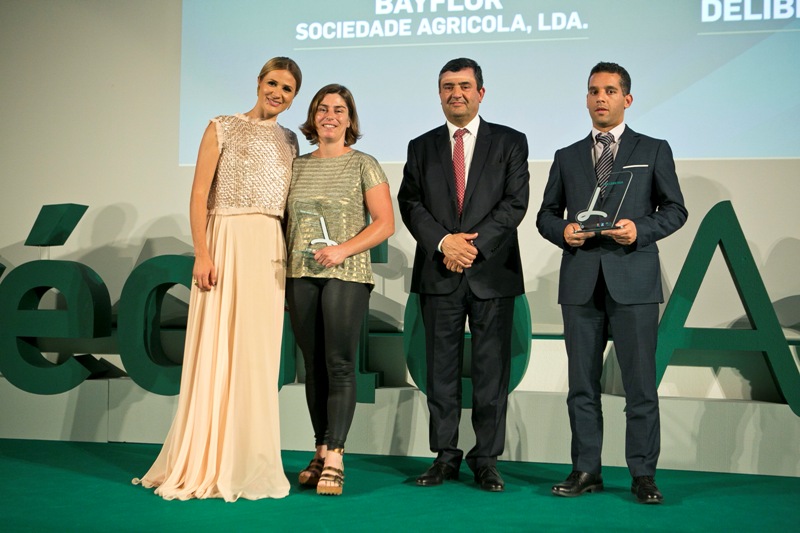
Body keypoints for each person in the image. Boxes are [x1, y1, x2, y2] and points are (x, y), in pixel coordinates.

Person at [133, 57, 302, 501]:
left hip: (269, 248)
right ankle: (208, 457)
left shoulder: (290, 140)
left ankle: (250, 458)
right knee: (218, 345)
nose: (277, 93)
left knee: (257, 353)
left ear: (293, 98)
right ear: (259, 82)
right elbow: (198, 194)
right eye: (273, 83)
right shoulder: (221, 126)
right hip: (224, 239)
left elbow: (287, 209)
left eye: (287, 89)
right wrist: (203, 252)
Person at [536, 61, 688, 504]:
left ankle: (643, 475)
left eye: (609, 91)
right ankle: (586, 470)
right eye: (593, 91)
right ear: (586, 98)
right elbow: (546, 214)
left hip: (633, 280)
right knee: (581, 386)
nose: (600, 98)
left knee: (639, 386)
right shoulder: (567, 156)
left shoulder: (653, 149)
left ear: (627, 98)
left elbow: (675, 210)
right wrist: (563, 230)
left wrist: (639, 229)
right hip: (581, 281)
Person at [397, 58, 529, 492]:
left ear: (481, 93)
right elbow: (410, 203)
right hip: (439, 272)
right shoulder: (421, 146)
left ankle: (486, 459)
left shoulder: (510, 141)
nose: (456, 93)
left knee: (492, 373)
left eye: (465, 86)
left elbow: (514, 203)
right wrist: (443, 243)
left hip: (491, 273)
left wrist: (468, 247)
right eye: (448, 86)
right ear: (440, 94)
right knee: (441, 372)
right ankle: (445, 456)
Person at [285, 84, 394, 497]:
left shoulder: (363, 164)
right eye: (322, 109)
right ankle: (319, 449)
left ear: (350, 120)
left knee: (339, 364)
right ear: (312, 118)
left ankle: (336, 456)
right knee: (312, 367)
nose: (329, 115)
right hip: (299, 273)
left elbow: (385, 223)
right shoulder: (295, 166)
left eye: (338, 110)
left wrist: (342, 250)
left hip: (347, 273)